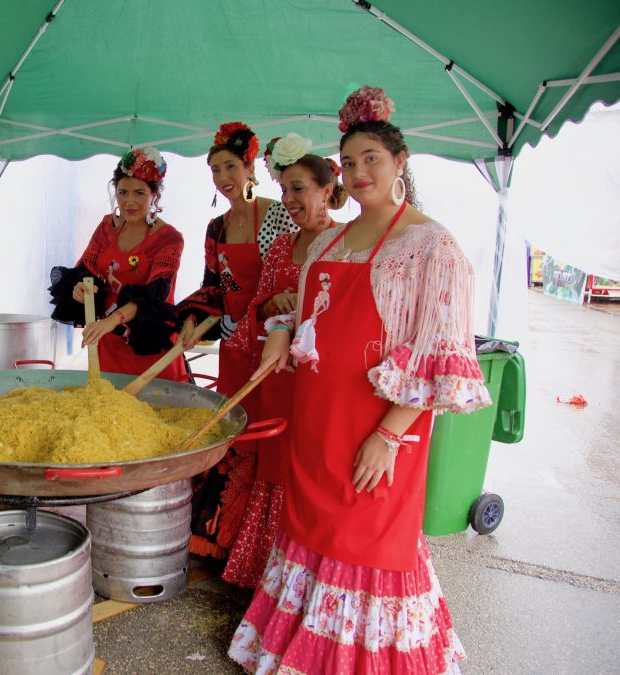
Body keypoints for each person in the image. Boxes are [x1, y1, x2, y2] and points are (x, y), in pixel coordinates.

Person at [228, 86, 492, 673]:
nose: (359, 171)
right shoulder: (329, 240)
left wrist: (391, 433)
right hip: (316, 422)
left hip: (375, 428)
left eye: (371, 158)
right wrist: (278, 333)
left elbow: (438, 355)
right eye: (349, 162)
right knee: (313, 536)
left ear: (400, 162)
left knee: (372, 543)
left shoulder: (432, 246)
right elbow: (299, 313)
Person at [216, 149, 346, 588]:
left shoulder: (345, 244)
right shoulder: (278, 248)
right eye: (285, 189)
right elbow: (258, 303)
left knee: (309, 472)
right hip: (277, 380)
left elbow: (350, 317)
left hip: (318, 387)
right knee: (272, 470)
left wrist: (302, 310)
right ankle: (268, 580)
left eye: (299, 189)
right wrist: (275, 304)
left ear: (327, 190)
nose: (289, 199)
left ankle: (307, 584)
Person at [175, 122, 296, 560]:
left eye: (230, 166)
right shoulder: (216, 228)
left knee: (265, 437)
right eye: (214, 169)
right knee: (233, 431)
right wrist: (192, 320)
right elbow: (211, 287)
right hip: (232, 348)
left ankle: (262, 546)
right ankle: (226, 541)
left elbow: (287, 277)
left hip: (270, 348)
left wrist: (254, 316)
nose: (223, 177)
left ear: (250, 168)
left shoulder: (277, 214)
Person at [49, 147, 185, 379]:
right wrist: (82, 288)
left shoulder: (169, 239)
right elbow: (86, 269)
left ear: (154, 195)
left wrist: (113, 320)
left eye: (139, 193)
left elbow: (154, 296)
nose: (129, 201)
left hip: (149, 345)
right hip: (109, 340)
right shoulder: (106, 228)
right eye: (122, 192)